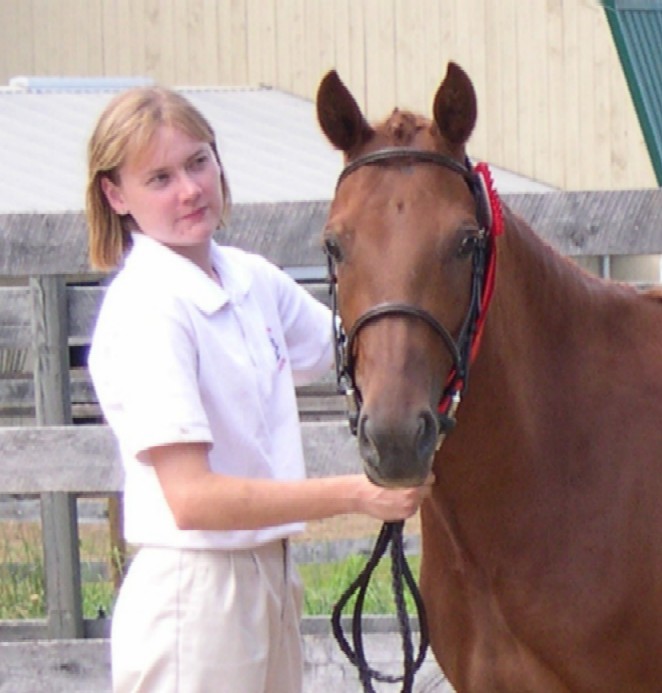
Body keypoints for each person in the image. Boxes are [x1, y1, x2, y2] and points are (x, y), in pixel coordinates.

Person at [85, 86, 433, 693]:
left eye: (198, 162)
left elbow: (357, 346)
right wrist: (356, 494)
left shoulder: (249, 279)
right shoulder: (147, 308)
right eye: (159, 178)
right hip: (195, 594)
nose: (190, 190)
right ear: (117, 195)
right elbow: (193, 500)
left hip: (268, 574)